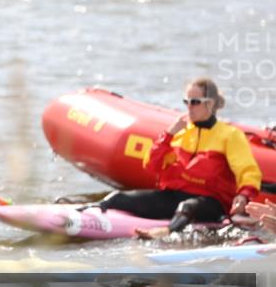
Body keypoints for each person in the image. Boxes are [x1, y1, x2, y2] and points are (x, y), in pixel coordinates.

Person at [95, 78, 262, 239]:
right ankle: (84, 211)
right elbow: (153, 166)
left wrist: (243, 195)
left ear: (210, 104)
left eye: (195, 102)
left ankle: (166, 233)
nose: (189, 107)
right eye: (186, 101)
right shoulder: (179, 135)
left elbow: (248, 171)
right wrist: (168, 136)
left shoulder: (230, 135)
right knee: (117, 198)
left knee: (187, 207)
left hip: (213, 203)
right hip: (174, 197)